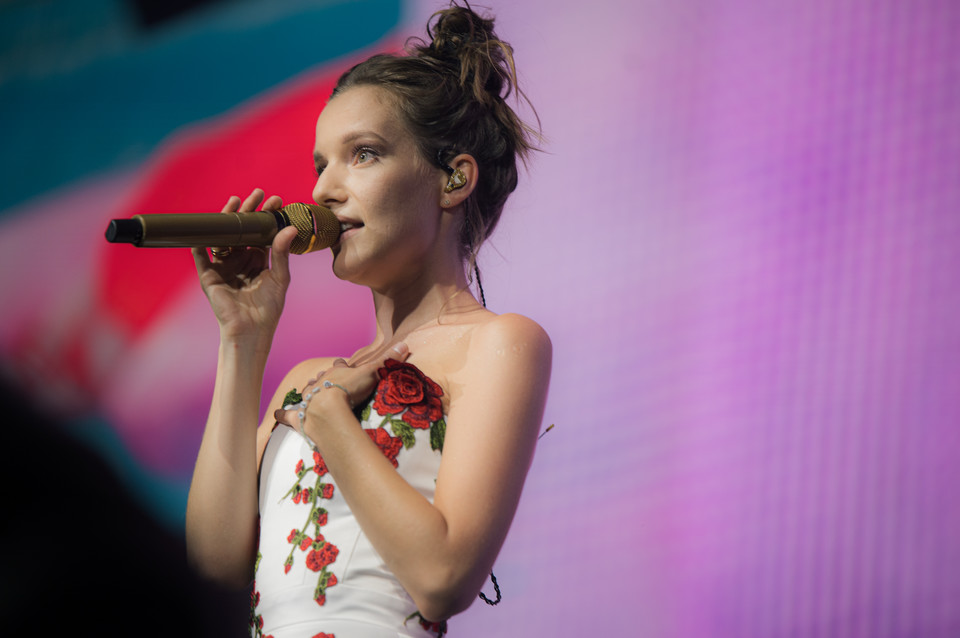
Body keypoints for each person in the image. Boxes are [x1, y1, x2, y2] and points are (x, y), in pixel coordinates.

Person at [184, 3, 551, 637]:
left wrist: (331, 419)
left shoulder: (500, 344)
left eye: (364, 154)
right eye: (320, 164)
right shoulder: (306, 377)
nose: (324, 190)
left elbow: (442, 579)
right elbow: (213, 567)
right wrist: (242, 341)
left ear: (453, 178)